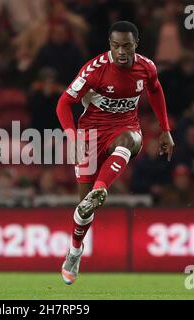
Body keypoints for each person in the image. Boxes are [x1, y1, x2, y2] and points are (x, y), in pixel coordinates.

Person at [56, 21, 174, 284]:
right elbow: (64, 103)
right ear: (110, 45)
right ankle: (75, 251)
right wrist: (72, 136)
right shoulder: (94, 70)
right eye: (116, 45)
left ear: (136, 45)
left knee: (130, 140)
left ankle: (101, 188)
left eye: (127, 46)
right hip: (90, 134)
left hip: (125, 126)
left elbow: (155, 90)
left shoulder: (147, 67)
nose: (121, 51)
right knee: (84, 210)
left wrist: (164, 129)